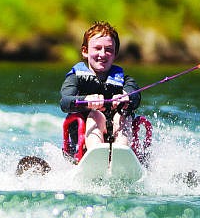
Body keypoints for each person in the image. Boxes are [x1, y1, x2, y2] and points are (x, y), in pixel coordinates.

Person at [60, 21, 141, 153]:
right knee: (96, 115)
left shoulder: (125, 81)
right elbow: (65, 102)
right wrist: (87, 101)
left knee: (122, 116)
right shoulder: (74, 78)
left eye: (108, 50)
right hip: (86, 134)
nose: (103, 54)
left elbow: (136, 96)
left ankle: (122, 153)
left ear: (115, 54)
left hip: (116, 129)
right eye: (97, 48)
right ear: (85, 51)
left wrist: (126, 97)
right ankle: (96, 154)